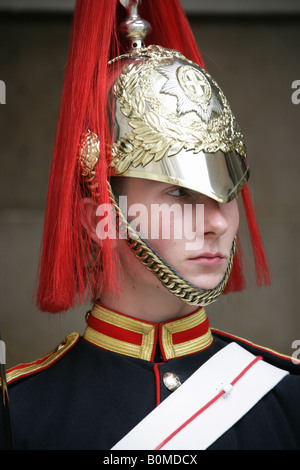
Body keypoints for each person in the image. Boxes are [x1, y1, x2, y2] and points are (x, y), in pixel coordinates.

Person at [0, 0, 299, 451]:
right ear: (99, 220)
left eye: (226, 194)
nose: (217, 222)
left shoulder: (287, 397)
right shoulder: (21, 413)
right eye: (179, 193)